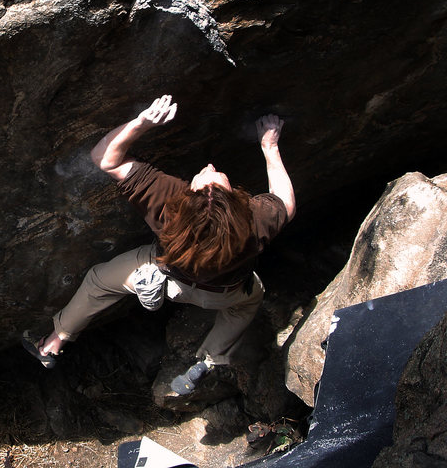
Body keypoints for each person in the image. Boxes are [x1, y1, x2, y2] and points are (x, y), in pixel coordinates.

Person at [22, 94, 295, 395]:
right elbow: (285, 201)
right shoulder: (253, 219)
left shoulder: (168, 203)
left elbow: (105, 158)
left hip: (169, 280)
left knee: (99, 281)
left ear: (189, 193)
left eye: (207, 174)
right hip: (224, 294)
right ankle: (208, 361)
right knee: (248, 303)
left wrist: (141, 122)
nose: (209, 165)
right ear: (233, 200)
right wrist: (269, 146)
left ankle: (53, 342)